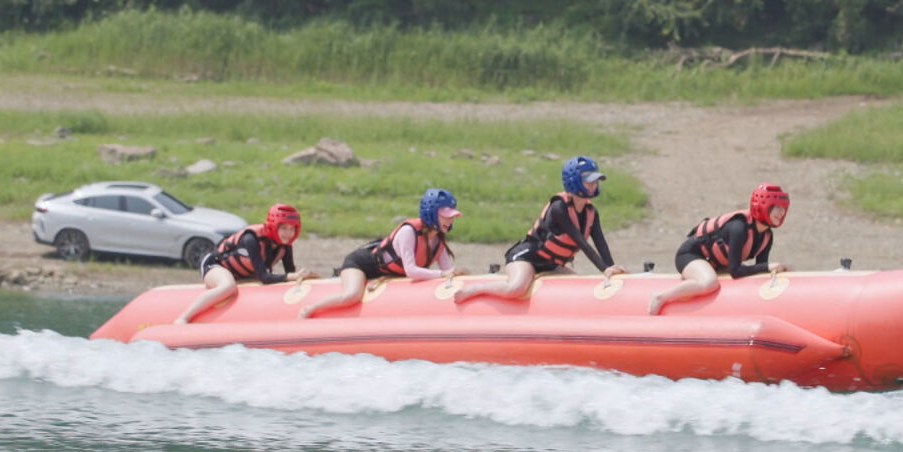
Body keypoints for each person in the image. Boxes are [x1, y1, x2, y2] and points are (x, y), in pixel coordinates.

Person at [454, 155, 626, 303]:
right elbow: (580, 241)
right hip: (527, 257)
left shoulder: (591, 213)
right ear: (574, 181)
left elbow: (600, 242)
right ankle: (476, 289)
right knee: (516, 288)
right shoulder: (559, 208)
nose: (594, 185)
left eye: (595, 181)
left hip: (551, 265)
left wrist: (612, 269)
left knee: (579, 286)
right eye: (589, 181)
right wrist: (604, 269)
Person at [299, 188, 466, 318]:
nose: (450, 221)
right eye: (445, 216)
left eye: (452, 217)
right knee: (351, 296)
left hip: (387, 272)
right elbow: (411, 271)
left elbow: (446, 276)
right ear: (431, 213)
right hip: (361, 264)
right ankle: (310, 309)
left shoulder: (438, 241)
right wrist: (444, 273)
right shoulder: (408, 232)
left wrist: (453, 276)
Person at [647, 183, 791, 315]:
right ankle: (660, 296)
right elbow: (735, 270)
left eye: (783, 208)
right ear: (763, 206)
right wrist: (767, 266)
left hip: (714, 263)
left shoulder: (766, 236)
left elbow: (760, 270)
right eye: (777, 208)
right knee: (709, 283)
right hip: (691, 255)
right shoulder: (738, 227)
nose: (782, 213)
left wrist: (770, 269)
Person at [174, 203, 316, 324]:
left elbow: (290, 274)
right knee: (227, 286)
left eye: (292, 229)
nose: (288, 233)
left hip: (242, 274)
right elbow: (265, 277)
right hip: (216, 266)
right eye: (284, 228)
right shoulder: (251, 239)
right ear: (274, 226)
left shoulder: (285, 246)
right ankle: (183, 318)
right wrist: (292, 276)